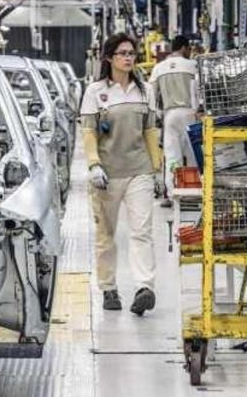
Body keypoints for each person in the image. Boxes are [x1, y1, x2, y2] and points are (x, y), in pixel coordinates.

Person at [80, 33, 161, 315]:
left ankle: (144, 288)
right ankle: (109, 288)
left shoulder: (145, 90)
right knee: (106, 235)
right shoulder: (95, 92)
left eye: (131, 53)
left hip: (139, 171)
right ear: (109, 58)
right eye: (122, 53)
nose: (128, 58)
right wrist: (94, 164)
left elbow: (150, 131)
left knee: (142, 232)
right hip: (107, 174)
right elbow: (89, 132)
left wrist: (157, 168)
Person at [149, 35, 198, 207]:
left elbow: (151, 94)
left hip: (169, 115)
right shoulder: (193, 66)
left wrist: (158, 115)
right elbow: (201, 93)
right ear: (184, 48)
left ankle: (171, 194)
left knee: (172, 156)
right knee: (192, 154)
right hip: (191, 114)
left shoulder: (159, 68)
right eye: (189, 49)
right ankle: (193, 191)